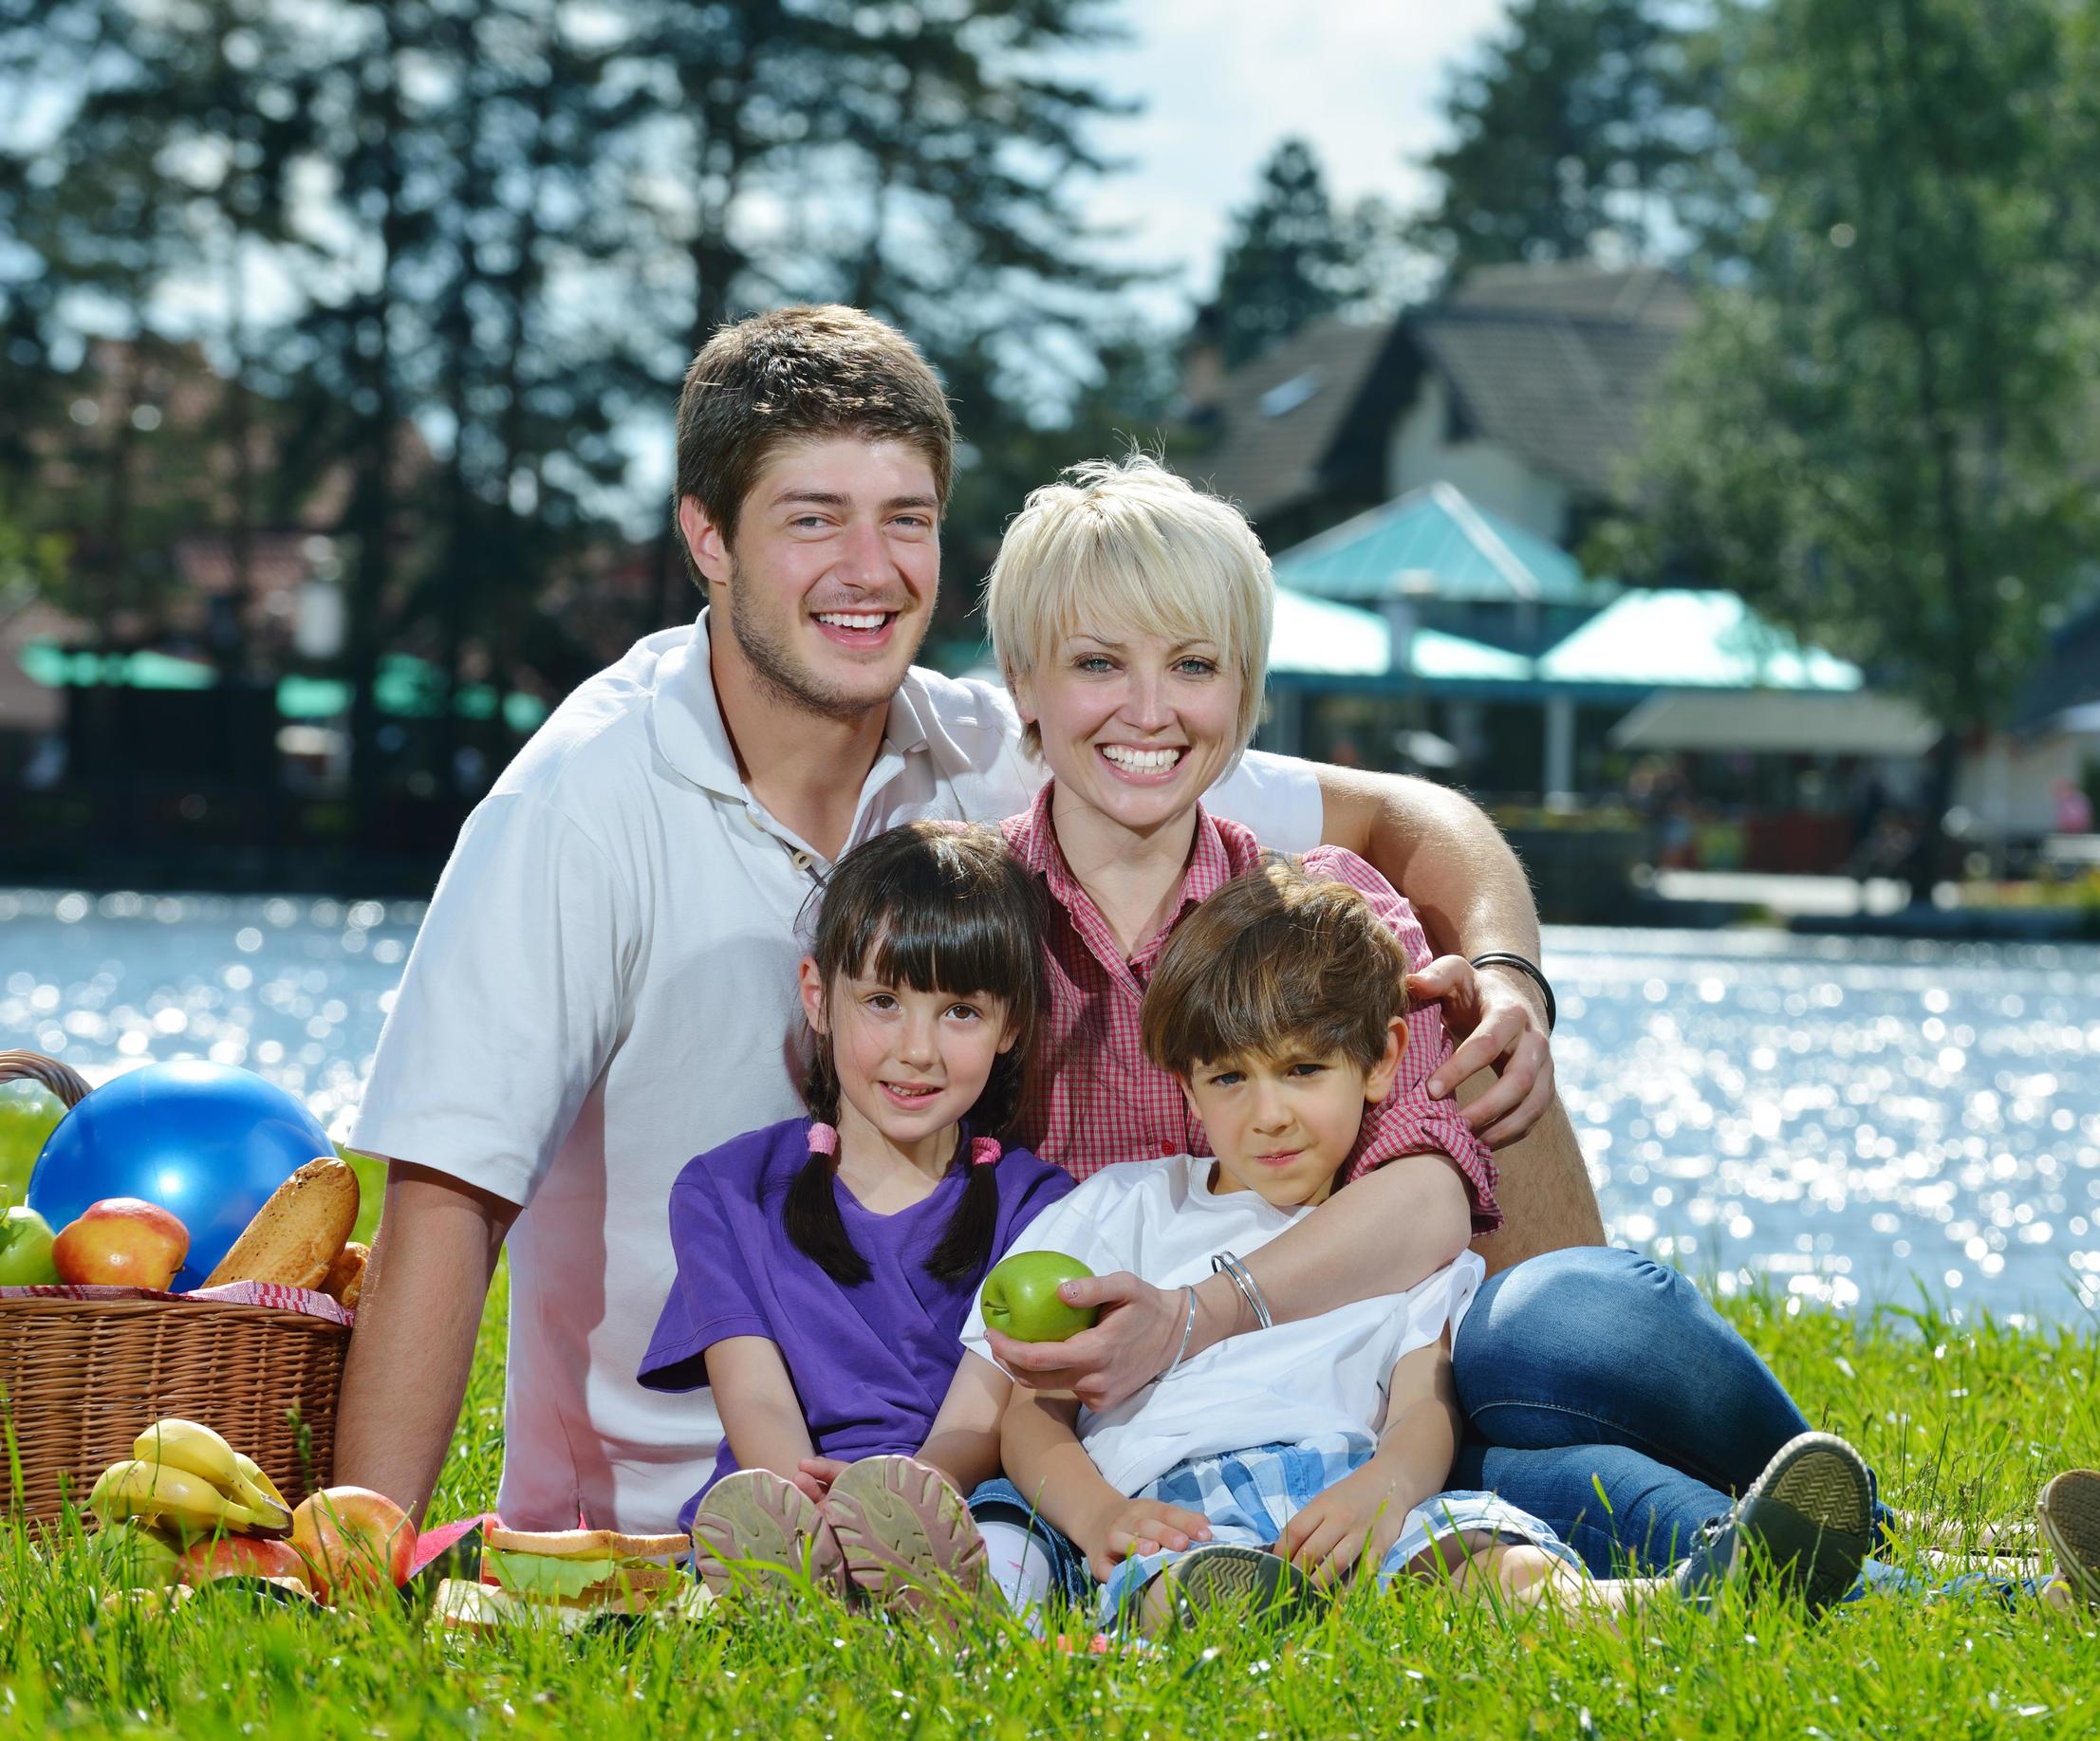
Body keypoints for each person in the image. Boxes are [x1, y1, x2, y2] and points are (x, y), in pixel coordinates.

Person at [960, 454, 2100, 1587]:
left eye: (1194, 666)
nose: (1147, 709)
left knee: (1545, 1330)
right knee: (1555, 1503)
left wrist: (1204, 1312)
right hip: (1261, 1459)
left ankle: (1989, 1536)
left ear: (1246, 691)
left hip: (1412, 1377)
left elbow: (1422, 1202)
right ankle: (2047, 1560)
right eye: (1097, 663)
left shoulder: (1320, 906)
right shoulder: (974, 934)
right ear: (1020, 686)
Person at [337, 306, 1571, 1536]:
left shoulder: (1006, 743)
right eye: (812, 519)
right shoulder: (579, 804)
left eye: (907, 520)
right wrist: (366, 1544)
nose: (869, 569)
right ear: (708, 539)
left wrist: (1512, 976)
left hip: (987, 1437)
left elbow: (1407, 818)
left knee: (1478, 1045)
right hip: (679, 1488)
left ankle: (1566, 1425)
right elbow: (446, 1192)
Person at [966, 861, 2100, 1634]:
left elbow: (1422, 1389)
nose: (1268, 1111)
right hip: (1176, 1505)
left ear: (1385, 1064)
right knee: (1197, 1587)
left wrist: (1390, 1485)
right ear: (1180, 1085)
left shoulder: (1386, 1239)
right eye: (1228, 1079)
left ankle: (1690, 1605)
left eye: (1303, 1072)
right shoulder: (1124, 1206)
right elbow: (1030, 1407)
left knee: (1500, 1574)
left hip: (1357, 1485)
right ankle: (1224, 1619)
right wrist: (1093, 1515)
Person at [635, 824, 1069, 1608]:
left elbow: (982, 1411)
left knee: (1005, 1543)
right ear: (817, 996)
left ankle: (923, 1590)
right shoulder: (724, 1192)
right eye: (882, 1002)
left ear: (1011, 1025)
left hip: (958, 1505)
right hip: (778, 1500)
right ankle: (794, 1578)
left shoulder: (1040, 1207)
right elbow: (757, 1399)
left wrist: (909, 1496)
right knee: (759, 1520)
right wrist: (813, 1508)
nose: (917, 1050)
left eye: (960, 1012)